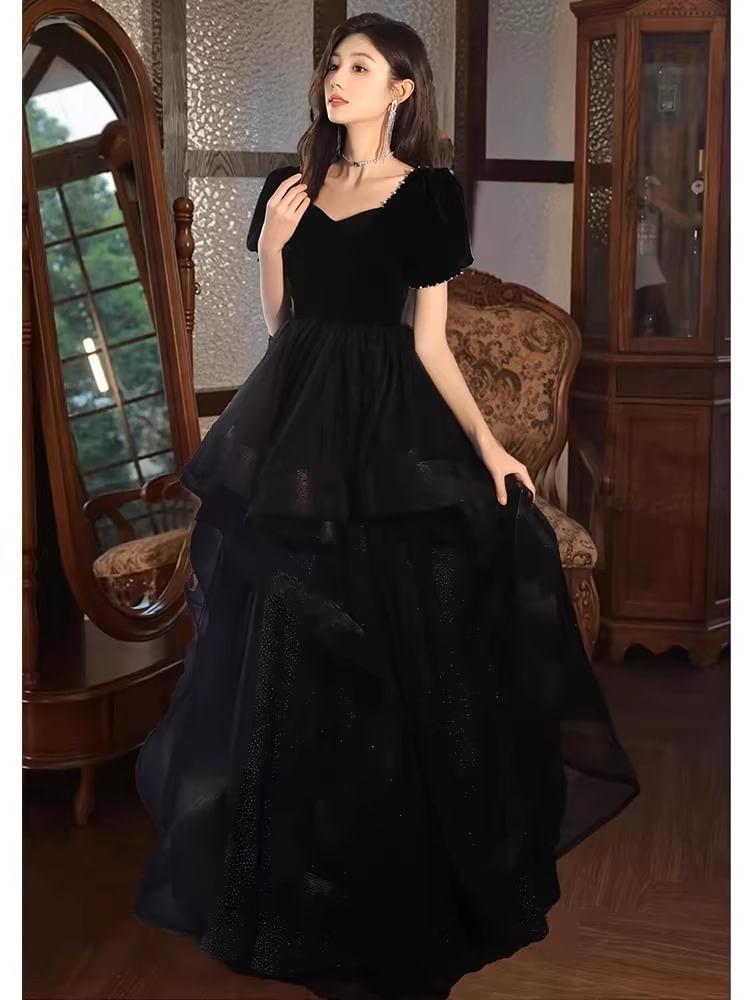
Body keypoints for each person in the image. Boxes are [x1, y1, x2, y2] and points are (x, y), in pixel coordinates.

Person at [133, 12, 640, 1000]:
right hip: (299, 425)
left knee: (396, 643)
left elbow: (430, 344)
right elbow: (284, 326)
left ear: (401, 88)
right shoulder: (292, 185)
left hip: (388, 430)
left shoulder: (428, 194)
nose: (338, 77)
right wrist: (272, 244)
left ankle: (395, 878)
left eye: (360, 66)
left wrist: (490, 447)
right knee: (287, 635)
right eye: (335, 63)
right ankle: (289, 882)